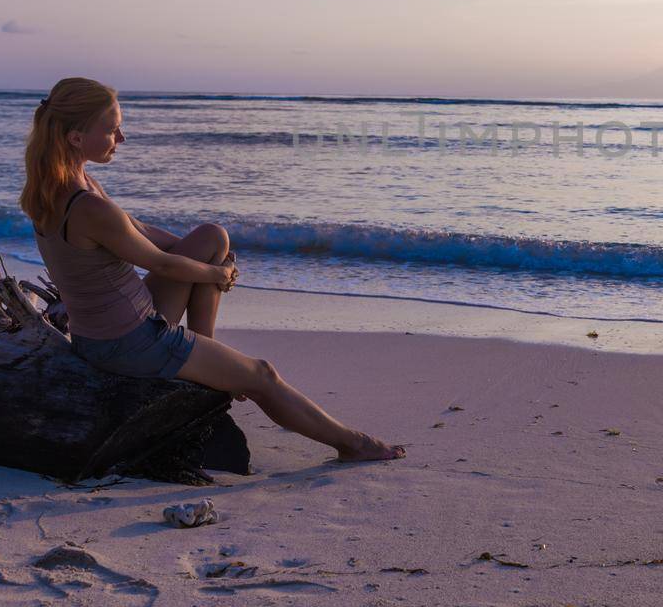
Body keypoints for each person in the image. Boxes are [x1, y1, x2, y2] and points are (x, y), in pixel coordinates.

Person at [20, 77, 403, 463]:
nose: (121, 137)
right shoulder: (89, 208)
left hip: (106, 335)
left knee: (211, 236)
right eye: (111, 128)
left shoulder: (62, 186)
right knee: (263, 376)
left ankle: (208, 359)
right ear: (75, 137)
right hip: (131, 343)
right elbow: (160, 262)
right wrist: (217, 276)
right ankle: (352, 443)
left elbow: (142, 231)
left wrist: (210, 258)